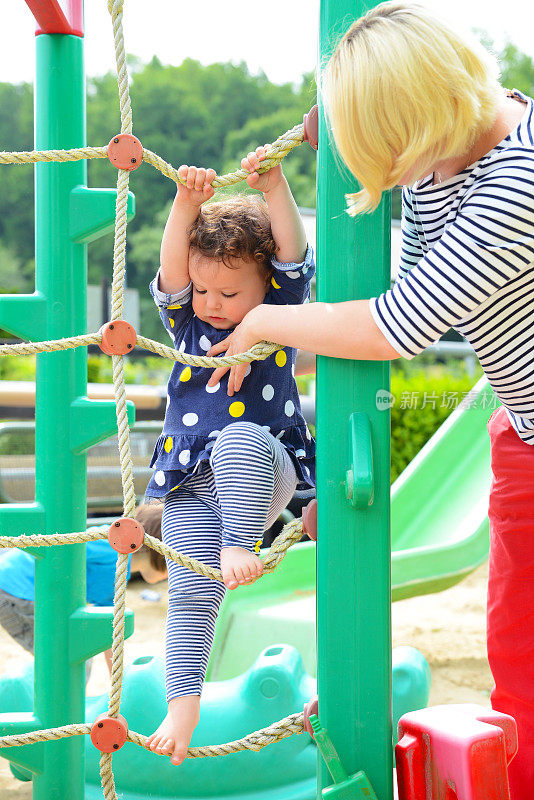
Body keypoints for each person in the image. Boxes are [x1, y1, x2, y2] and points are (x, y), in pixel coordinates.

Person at [206, 4, 534, 797]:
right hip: (521, 427)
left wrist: (261, 317)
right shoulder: (442, 160)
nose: (387, 169)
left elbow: (401, 324)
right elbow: (397, 283)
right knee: (516, 649)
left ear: (422, 116)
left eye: (385, 143)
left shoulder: (518, 183)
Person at [144, 154, 315, 765]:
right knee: (190, 596)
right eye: (206, 289)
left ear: (264, 285)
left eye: (230, 291)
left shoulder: (280, 316)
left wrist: (274, 188)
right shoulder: (189, 320)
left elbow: (293, 254)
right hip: (193, 481)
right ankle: (182, 702)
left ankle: (239, 542)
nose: (213, 304)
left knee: (238, 441)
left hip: (264, 468)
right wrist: (185, 205)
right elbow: (170, 271)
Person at [0, 503, 167, 678]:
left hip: (20, 587)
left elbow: (110, 630)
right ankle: (53, 703)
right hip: (18, 590)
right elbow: (64, 543)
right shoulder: (110, 547)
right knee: (73, 657)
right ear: (160, 553)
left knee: (74, 657)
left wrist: (118, 682)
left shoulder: (118, 573)